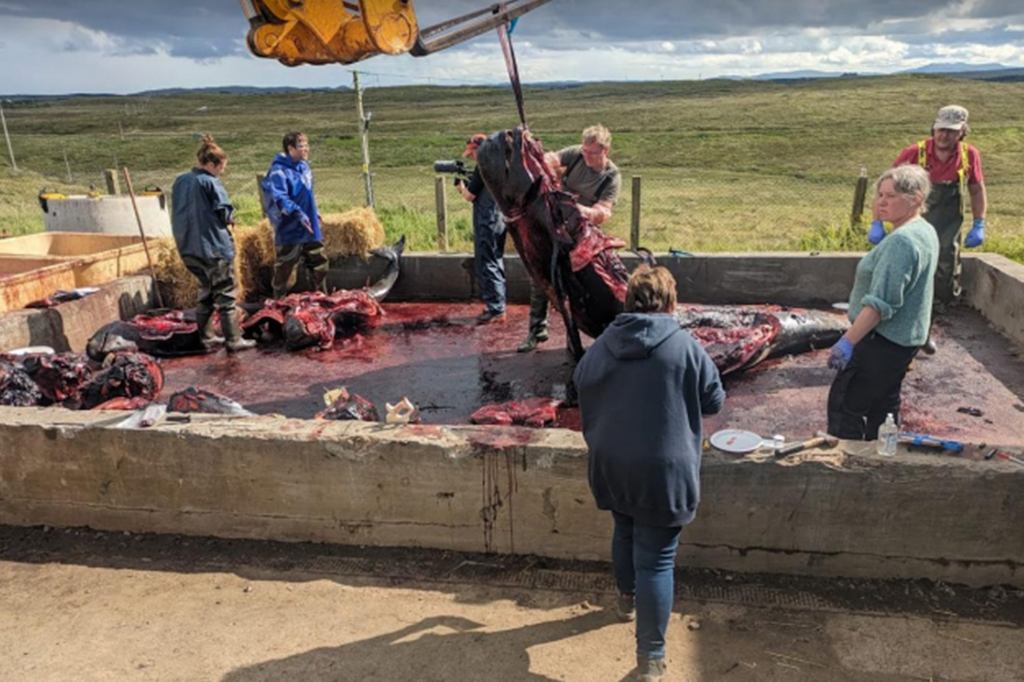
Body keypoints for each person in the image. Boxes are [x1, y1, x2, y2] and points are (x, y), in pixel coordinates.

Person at [573, 265, 725, 682]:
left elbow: (580, 385)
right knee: (657, 561)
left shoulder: (602, 345)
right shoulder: (684, 346)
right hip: (663, 473)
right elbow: (714, 402)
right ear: (672, 305)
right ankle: (651, 658)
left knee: (623, 529)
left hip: (611, 465)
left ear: (627, 302)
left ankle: (625, 598)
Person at [829, 165, 939, 440]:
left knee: (846, 406)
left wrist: (848, 342)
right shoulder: (924, 230)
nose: (880, 202)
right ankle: (884, 460)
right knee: (884, 407)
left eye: (890, 196)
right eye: (879, 194)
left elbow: (880, 305)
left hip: (882, 340)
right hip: (903, 341)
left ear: (915, 198)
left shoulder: (901, 242)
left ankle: (847, 466)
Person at [869, 105, 986, 311]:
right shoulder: (915, 153)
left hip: (949, 229)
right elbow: (884, 189)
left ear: (962, 132)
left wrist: (979, 223)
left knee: (946, 265)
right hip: (913, 223)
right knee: (908, 261)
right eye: (940, 129)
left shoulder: (969, 155)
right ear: (933, 128)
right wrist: (877, 222)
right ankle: (904, 308)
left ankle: (940, 309)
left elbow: (976, 190)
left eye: (951, 130)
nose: (944, 135)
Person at [518, 123, 622, 352]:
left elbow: (602, 213)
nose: (585, 155)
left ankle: (572, 339)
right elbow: (551, 158)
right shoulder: (576, 154)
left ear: (605, 151)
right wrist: (541, 161)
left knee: (575, 287)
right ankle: (537, 330)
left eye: (591, 152)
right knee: (540, 277)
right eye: (584, 150)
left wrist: (575, 208)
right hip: (553, 225)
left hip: (581, 236)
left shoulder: (611, 177)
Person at [170, 134, 256, 352]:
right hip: (213, 247)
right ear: (210, 164)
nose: (222, 172)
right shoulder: (210, 182)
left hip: (188, 246)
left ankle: (207, 337)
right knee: (226, 293)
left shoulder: (181, 180)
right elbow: (224, 212)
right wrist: (231, 218)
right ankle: (234, 340)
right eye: (221, 167)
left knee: (206, 292)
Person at [263, 131, 329, 300]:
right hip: (289, 226)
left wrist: (315, 211)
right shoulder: (278, 172)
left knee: (319, 260)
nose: (306, 149)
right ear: (290, 148)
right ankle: (279, 301)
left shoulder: (304, 167)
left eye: (307, 145)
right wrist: (298, 213)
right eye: (301, 146)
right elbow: (280, 198)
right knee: (286, 265)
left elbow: (307, 192)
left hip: (310, 223)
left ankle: (320, 296)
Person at [456, 134, 507, 324]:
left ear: (480, 150)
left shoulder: (483, 167)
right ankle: (497, 303)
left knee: (488, 262)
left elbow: (470, 196)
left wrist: (461, 187)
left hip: (488, 219)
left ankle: (496, 308)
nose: (471, 157)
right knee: (495, 259)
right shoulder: (498, 165)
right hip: (498, 217)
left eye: (473, 152)